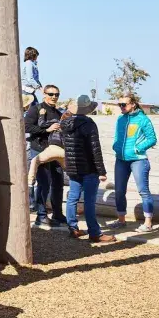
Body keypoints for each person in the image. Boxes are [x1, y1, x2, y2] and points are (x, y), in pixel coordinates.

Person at [61, 95, 116, 243]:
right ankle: (95, 232)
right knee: (89, 201)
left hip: (72, 167)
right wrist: (102, 171)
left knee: (72, 198)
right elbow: (95, 149)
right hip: (88, 168)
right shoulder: (89, 124)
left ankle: (72, 227)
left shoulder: (65, 123)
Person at [108, 93, 157, 232]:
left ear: (133, 104)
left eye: (124, 104)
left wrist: (138, 148)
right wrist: (115, 146)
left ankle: (148, 223)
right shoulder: (120, 119)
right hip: (121, 160)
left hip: (138, 160)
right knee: (119, 191)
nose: (121, 107)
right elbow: (117, 136)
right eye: (120, 104)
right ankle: (121, 220)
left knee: (143, 191)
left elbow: (152, 139)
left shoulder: (143, 119)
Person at [24, 85, 68, 226]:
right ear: (44, 94)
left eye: (57, 94)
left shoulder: (58, 112)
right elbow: (26, 127)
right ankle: (41, 215)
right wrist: (46, 129)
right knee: (44, 184)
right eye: (51, 94)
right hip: (40, 150)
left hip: (56, 151)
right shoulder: (35, 109)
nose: (54, 97)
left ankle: (57, 214)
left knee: (58, 183)